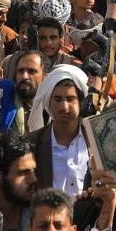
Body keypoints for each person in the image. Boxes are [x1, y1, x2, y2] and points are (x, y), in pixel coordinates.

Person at [25, 66, 89, 196]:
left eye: (71, 99)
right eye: (58, 99)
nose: (64, 107)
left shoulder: (95, 140)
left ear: (81, 102)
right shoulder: (32, 143)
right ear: (49, 102)